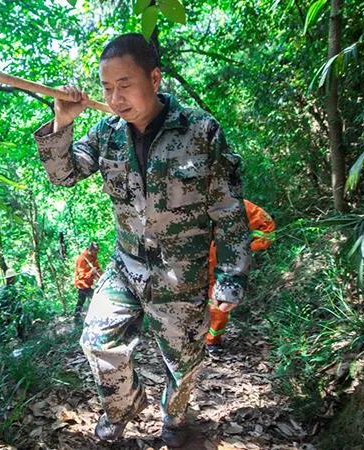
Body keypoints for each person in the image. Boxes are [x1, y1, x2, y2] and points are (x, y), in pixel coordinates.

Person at [32, 33, 250, 446]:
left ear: (155, 78)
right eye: (107, 87)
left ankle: (175, 418)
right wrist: (63, 120)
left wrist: (230, 276)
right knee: (97, 339)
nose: (115, 98)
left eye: (125, 84)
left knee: (183, 361)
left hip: (181, 274)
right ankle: (124, 406)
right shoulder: (106, 132)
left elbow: (227, 208)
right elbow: (63, 175)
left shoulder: (200, 131)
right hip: (127, 263)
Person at [205, 200, 275, 354]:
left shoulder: (233, 203)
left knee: (219, 304)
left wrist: (245, 250)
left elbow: (267, 228)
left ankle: (212, 341)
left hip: (222, 268)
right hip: (190, 267)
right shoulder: (180, 200)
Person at [74, 242, 103, 320]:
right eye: (95, 251)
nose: (97, 253)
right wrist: (90, 273)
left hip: (89, 283)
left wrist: (102, 276)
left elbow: (97, 268)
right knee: (93, 298)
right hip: (82, 284)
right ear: (91, 250)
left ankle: (78, 315)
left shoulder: (94, 257)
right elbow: (80, 275)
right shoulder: (82, 259)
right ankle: (79, 316)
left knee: (82, 300)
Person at [0, 268, 25, 340]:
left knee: (6, 326)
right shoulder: (8, 289)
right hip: (8, 311)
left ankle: (18, 337)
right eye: (14, 277)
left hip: (7, 311)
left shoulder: (5, 288)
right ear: (11, 279)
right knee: (10, 325)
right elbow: (5, 301)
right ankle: (19, 337)